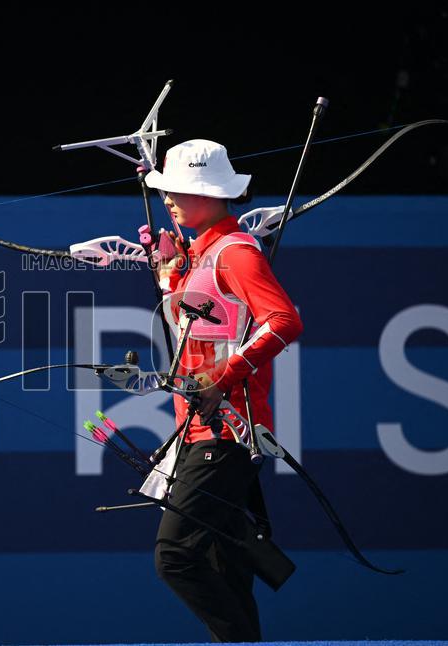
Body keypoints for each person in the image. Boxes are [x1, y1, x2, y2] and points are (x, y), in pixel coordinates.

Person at [142, 139, 304, 642]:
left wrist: (225, 377)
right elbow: (199, 333)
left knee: (175, 556)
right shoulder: (203, 253)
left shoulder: (235, 252)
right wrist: (169, 276)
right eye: (165, 190)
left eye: (177, 190)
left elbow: (284, 321)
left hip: (227, 432)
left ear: (209, 194)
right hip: (198, 432)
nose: (167, 199)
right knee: (224, 566)